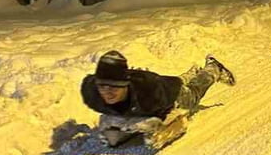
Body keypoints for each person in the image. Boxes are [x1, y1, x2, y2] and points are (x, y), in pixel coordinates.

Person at [81, 50, 234, 120]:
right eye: (103, 86)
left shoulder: (149, 95)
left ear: (125, 85)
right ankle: (191, 73)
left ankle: (214, 69)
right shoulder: (92, 93)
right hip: (159, 84)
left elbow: (170, 115)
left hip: (170, 93)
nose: (107, 92)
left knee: (192, 96)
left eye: (113, 86)